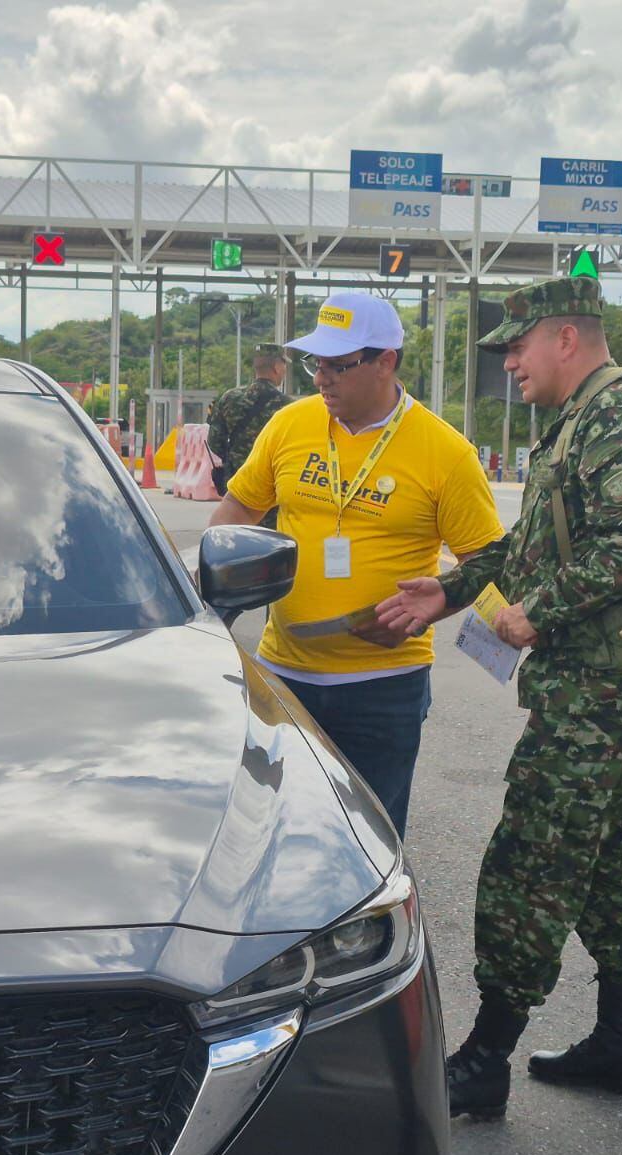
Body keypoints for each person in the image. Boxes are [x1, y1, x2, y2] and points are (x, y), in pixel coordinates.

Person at [376, 276, 622, 1119]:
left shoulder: (615, 416)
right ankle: (621, 1042)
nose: (505, 362)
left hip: (605, 685)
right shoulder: (580, 422)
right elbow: (533, 540)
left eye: (514, 345)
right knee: (603, 857)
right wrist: (453, 588)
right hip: (603, 679)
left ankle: (484, 1057)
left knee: (533, 857)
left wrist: (530, 612)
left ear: (565, 338)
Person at [207, 291, 503, 835]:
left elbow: (487, 559)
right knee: (272, 832)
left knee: (369, 837)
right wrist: (206, 579)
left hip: (383, 686)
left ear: (385, 361)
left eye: (339, 366)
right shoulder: (291, 425)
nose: (322, 378)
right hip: (284, 676)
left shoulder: (446, 452)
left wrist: (443, 604)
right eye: (315, 363)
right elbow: (240, 505)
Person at [207, 343, 291, 499]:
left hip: (236, 487)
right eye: (284, 365)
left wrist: (235, 458)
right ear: (277, 367)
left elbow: (214, 442)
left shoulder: (229, 398)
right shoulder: (288, 406)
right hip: (270, 490)